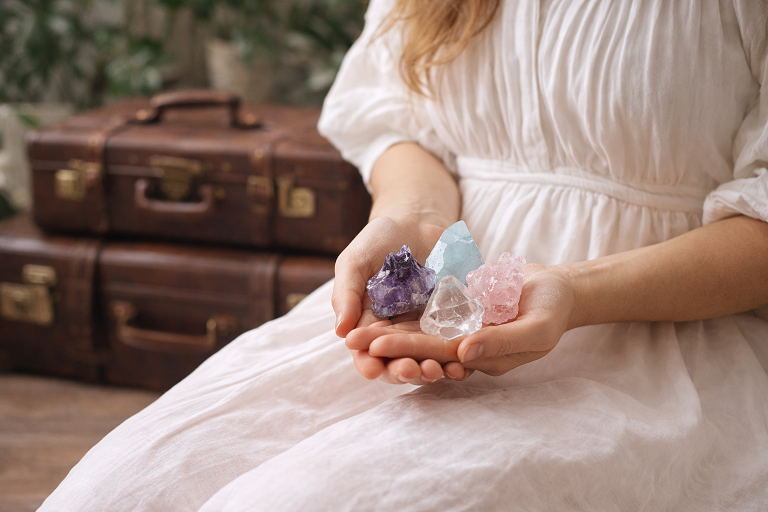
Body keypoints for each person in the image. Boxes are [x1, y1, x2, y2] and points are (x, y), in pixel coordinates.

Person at [41, 0, 768, 510]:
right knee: (128, 483)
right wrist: (410, 219)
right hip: (441, 298)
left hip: (671, 340)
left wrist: (574, 291)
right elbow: (397, 124)